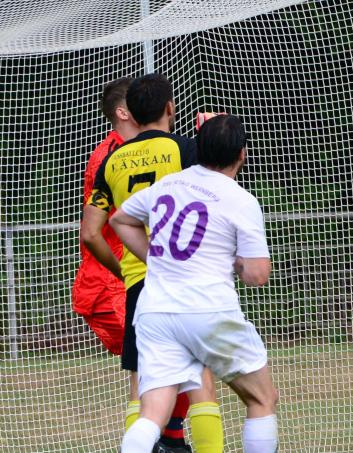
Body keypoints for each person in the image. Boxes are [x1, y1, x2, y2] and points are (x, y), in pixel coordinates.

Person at [113, 115, 279, 453]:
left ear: (198, 147)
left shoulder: (168, 185)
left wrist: (157, 260)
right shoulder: (240, 200)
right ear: (242, 154)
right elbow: (258, 275)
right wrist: (237, 263)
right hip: (207, 309)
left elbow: (121, 219)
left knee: (152, 413)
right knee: (262, 397)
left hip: (156, 312)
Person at [82, 73, 223, 451]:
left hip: (140, 286)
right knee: (200, 380)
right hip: (185, 278)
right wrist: (214, 136)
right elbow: (220, 185)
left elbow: (91, 232)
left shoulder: (111, 161)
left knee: (142, 382)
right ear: (169, 108)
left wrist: (125, 270)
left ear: (133, 113)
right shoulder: (183, 149)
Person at [74, 77, 136, 357]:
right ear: (123, 112)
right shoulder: (109, 157)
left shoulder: (141, 150)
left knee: (163, 370)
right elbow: (91, 232)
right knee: (160, 365)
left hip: (124, 283)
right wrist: (124, 276)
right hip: (111, 288)